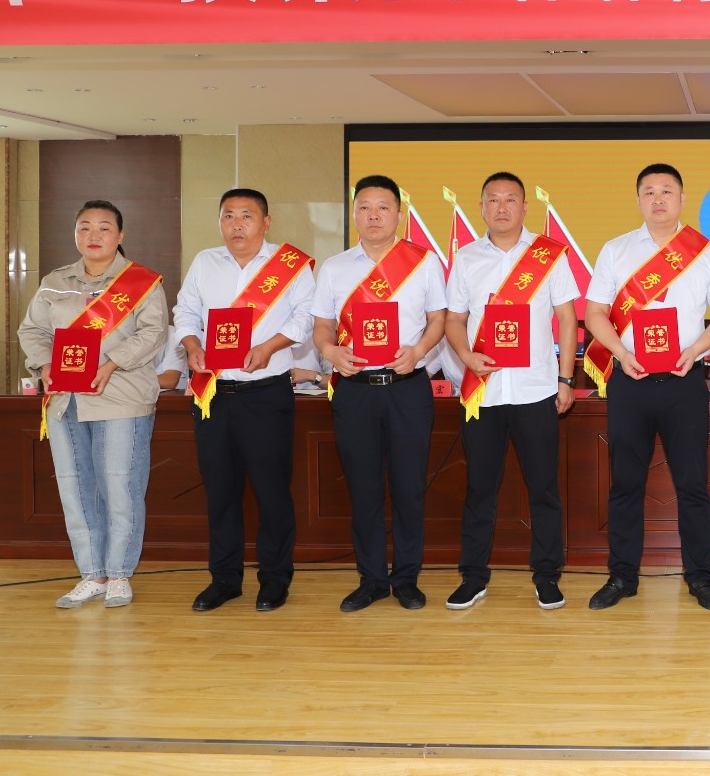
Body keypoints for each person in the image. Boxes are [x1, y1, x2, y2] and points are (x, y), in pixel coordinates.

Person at [582, 164, 710, 611]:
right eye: (649, 191)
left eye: (667, 191)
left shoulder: (705, 251)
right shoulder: (616, 250)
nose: (658, 199)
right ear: (638, 201)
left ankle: (700, 577)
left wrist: (697, 349)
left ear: (682, 199)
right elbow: (594, 313)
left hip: (684, 382)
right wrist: (620, 352)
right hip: (630, 381)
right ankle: (622, 576)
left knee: (692, 485)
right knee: (625, 484)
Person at [17, 200, 168, 609]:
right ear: (75, 235)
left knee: (121, 486)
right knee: (74, 488)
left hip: (120, 398)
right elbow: (32, 330)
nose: (93, 235)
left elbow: (154, 333)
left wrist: (111, 363)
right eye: (85, 227)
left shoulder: (142, 282)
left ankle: (119, 574)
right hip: (65, 401)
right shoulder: (54, 281)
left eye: (104, 228)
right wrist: (45, 364)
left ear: (120, 236)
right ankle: (92, 574)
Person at [172, 189, 315, 613]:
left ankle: (274, 579)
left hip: (266, 394)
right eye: (228, 216)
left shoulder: (290, 265)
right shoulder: (205, 262)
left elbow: (305, 317)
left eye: (247, 216)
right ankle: (224, 579)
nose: (237, 224)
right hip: (214, 394)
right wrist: (192, 346)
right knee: (220, 491)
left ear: (266, 222)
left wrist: (270, 346)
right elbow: (185, 311)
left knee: (272, 492)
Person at [443, 172, 579, 612]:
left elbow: (567, 318)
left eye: (510, 199)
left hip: (536, 391)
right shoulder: (466, 258)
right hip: (484, 393)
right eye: (493, 200)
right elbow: (454, 320)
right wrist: (466, 355)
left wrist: (565, 379)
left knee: (544, 489)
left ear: (524, 207)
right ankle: (473, 576)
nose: (501, 207)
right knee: (480, 489)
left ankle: (547, 576)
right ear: (481, 207)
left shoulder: (549, 254)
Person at [312, 175, 448, 612]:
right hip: (355, 391)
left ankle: (406, 578)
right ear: (354, 214)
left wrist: (419, 352)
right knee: (364, 489)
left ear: (399, 215)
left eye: (383, 207)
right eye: (365, 207)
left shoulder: (424, 262)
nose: (373, 215)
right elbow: (322, 326)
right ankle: (371, 580)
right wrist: (331, 351)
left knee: (409, 489)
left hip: (407, 389)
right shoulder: (334, 267)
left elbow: (439, 320)